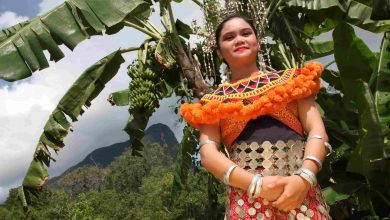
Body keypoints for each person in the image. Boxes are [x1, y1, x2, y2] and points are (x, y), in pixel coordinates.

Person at [180, 15, 331, 219]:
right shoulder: (213, 101)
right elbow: (208, 153)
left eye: (246, 33)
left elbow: (316, 130)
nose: (239, 39)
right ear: (219, 52)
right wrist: (256, 185)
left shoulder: (293, 81)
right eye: (229, 37)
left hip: (301, 194)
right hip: (247, 202)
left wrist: (304, 178)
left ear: (258, 42)